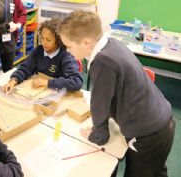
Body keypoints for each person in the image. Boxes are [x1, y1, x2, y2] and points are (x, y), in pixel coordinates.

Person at [58, 10, 175, 177]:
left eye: (69, 46)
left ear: (86, 43)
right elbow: (115, 92)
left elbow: (100, 103)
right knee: (155, 171)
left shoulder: (102, 62)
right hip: (162, 123)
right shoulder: (110, 43)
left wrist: (98, 134)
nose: (67, 51)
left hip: (149, 136)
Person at [3, 19, 83, 94]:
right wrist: (14, 80)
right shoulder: (38, 51)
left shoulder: (65, 57)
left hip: (57, 94)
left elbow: (76, 82)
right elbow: (25, 69)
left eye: (48, 40)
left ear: (59, 41)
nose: (44, 43)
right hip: (39, 92)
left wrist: (48, 82)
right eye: (42, 38)